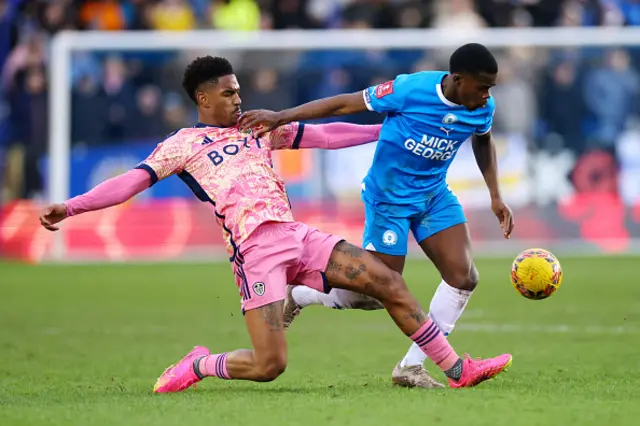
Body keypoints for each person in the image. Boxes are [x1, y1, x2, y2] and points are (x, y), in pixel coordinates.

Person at [39, 56, 512, 392]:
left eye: (240, 90)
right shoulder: (181, 145)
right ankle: (201, 364)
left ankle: (457, 370)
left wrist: (391, 128)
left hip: (297, 235)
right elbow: (130, 183)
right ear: (203, 99)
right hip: (254, 252)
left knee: (388, 281)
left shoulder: (258, 128)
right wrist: (72, 206)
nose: (239, 98)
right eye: (229, 93)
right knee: (270, 365)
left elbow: (326, 135)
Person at [239, 43, 515, 389]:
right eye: (483, 86)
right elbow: (343, 103)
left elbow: (483, 140)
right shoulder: (408, 90)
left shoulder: (481, 107)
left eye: (491, 87)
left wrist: (495, 195)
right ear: (458, 80)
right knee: (374, 293)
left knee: (464, 276)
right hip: (389, 201)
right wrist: (282, 115)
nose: (488, 95)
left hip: (433, 196)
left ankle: (411, 367)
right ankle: (301, 295)